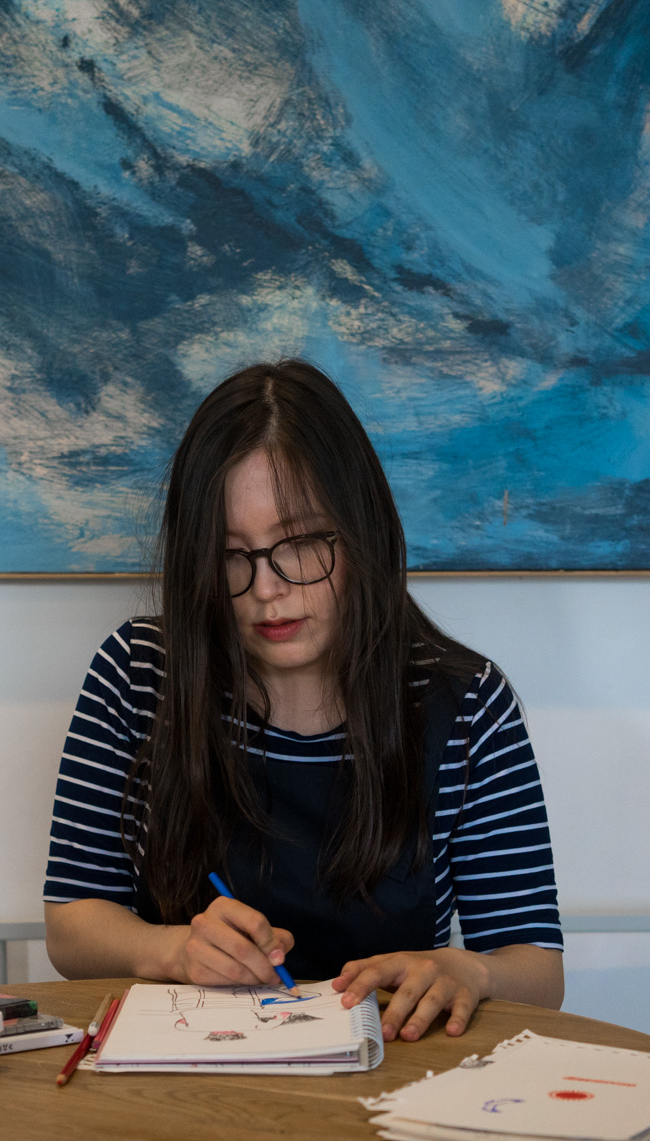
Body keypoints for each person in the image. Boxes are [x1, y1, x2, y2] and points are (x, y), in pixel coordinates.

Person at [42, 360, 563, 1044]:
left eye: (301, 543)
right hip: (182, 1071)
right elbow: (70, 925)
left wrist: (471, 970)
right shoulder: (138, 674)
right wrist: (171, 949)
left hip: (392, 1069)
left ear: (362, 531)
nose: (267, 589)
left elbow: (539, 970)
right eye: (230, 555)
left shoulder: (467, 704)